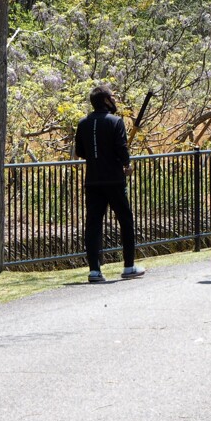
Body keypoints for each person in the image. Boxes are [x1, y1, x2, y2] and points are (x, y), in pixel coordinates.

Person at [74, 85, 145, 283]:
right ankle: (129, 266)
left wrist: (97, 155)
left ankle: (94, 270)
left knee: (93, 224)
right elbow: (121, 148)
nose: (114, 100)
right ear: (106, 100)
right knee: (125, 220)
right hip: (114, 179)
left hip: (93, 180)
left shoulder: (83, 123)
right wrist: (127, 165)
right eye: (112, 97)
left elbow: (80, 151)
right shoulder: (116, 122)